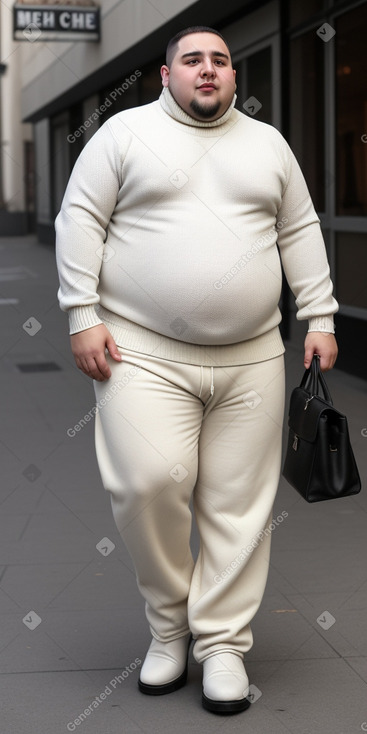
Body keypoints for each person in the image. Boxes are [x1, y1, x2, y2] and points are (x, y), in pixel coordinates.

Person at [55, 26, 338, 715]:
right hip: (140, 352)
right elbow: (80, 218)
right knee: (147, 486)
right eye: (192, 60)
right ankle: (166, 628)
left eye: (219, 60)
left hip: (252, 356)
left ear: (232, 78)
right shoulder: (123, 134)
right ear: (166, 74)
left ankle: (221, 646)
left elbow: (297, 228)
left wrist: (321, 315)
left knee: (237, 506)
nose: (207, 70)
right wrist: (79, 314)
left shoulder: (265, 144)